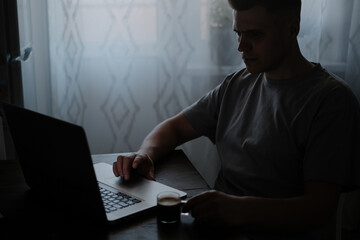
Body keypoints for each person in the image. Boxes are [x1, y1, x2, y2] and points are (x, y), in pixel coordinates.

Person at [113, 0, 360, 238]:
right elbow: (175, 128)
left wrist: (240, 210)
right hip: (217, 227)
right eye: (238, 33)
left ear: (292, 28)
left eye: (254, 34)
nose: (241, 46)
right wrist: (145, 154)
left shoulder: (331, 100)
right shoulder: (237, 84)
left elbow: (319, 208)